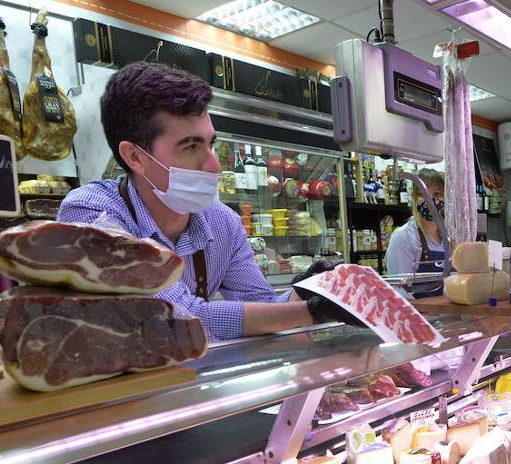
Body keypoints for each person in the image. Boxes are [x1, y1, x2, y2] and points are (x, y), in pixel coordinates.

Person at [57, 62, 356, 340]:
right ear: (135, 156)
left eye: (211, 144)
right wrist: (310, 311)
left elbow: (261, 306)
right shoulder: (92, 213)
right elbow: (174, 317)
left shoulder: (222, 222)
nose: (214, 166)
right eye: (190, 146)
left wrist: (304, 290)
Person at [385, 169, 448, 297]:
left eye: (437, 194)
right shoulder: (403, 237)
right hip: (420, 314)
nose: (430, 200)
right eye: (422, 194)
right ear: (414, 197)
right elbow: (400, 292)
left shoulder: (449, 236)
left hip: (448, 314)